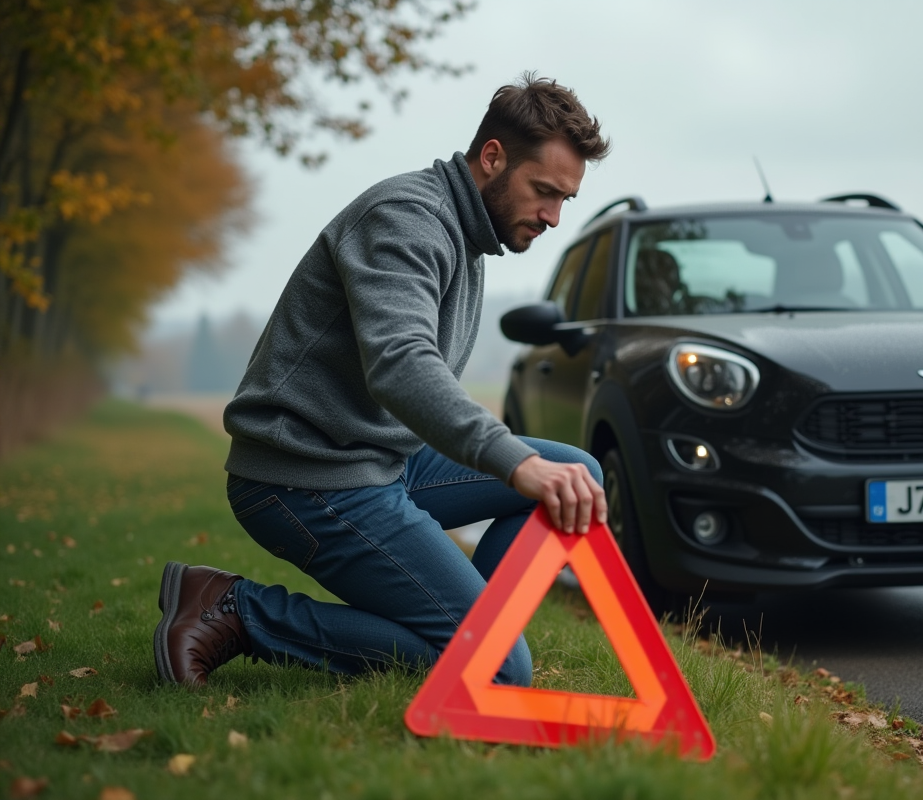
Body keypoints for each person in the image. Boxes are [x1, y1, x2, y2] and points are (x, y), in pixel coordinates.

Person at [153, 74, 611, 689]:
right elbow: (401, 363)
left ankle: (465, 630)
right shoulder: (407, 219)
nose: (553, 217)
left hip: (383, 460)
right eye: (544, 192)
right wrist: (516, 461)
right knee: (500, 669)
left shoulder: (467, 234)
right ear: (492, 157)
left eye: (565, 200)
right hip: (307, 475)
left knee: (577, 474)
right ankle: (238, 611)